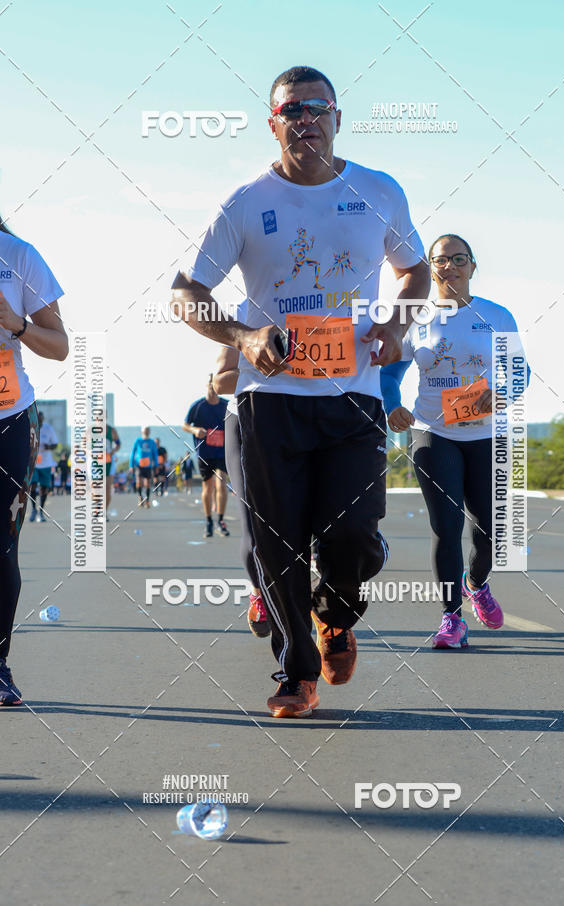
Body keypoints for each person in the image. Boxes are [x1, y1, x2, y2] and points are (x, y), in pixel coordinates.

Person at [171, 65, 429, 718]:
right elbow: (185, 294)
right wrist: (243, 336)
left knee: (355, 539)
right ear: (273, 123)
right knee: (275, 542)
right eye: (292, 111)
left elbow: (415, 271)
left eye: (318, 108)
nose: (305, 120)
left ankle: (336, 616)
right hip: (267, 401)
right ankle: (297, 672)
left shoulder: (377, 191)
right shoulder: (243, 202)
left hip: (353, 397)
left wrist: (397, 326)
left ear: (338, 118)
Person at [388, 233, 529, 649]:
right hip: (433, 432)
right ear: (430, 267)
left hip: (487, 433)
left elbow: (519, 371)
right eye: (440, 259)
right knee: (445, 528)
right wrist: (392, 404)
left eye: (458, 258)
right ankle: (451, 618)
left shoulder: (496, 316)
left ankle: (477, 584)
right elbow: (388, 374)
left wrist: (502, 391)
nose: (449, 266)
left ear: (472, 265)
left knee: (491, 531)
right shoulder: (414, 318)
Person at [0, 213, 68, 704]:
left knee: (2, 548)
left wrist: (16, 325)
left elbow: (60, 345)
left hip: (7, 420)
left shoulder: (19, 256)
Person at [214, 305, 270, 638]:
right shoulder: (242, 311)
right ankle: (260, 592)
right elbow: (221, 380)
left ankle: (300, 596)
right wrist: (274, 369)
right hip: (247, 419)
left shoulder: (316, 298)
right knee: (253, 522)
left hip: (304, 419)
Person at [183, 377, 230, 539]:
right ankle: (209, 520)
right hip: (204, 452)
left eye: (215, 385)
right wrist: (195, 431)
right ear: (207, 386)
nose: (213, 388)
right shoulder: (198, 406)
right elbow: (185, 425)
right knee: (208, 487)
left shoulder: (226, 405)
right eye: (210, 385)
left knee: (222, 483)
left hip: (222, 452)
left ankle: (221, 520)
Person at [29, 410, 58, 522]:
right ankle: (33, 509)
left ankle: (41, 511)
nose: (39, 421)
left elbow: (55, 444)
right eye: (38, 419)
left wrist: (49, 447)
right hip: (33, 462)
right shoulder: (30, 427)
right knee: (33, 484)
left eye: (41, 419)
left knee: (44, 488)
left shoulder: (48, 429)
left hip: (46, 463)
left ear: (43, 419)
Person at [129, 426, 158, 508]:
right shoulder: (138, 441)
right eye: (145, 431)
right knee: (139, 482)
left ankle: (147, 500)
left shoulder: (152, 442)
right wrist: (131, 465)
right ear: (142, 432)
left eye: (147, 431)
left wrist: (156, 465)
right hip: (139, 465)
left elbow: (155, 454)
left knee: (147, 484)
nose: (146, 432)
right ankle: (140, 497)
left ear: (149, 432)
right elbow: (133, 453)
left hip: (148, 466)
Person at [105, 424, 121, 514]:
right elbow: (83, 445)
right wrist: (90, 452)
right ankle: (97, 508)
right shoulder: (90, 430)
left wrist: (113, 451)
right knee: (95, 489)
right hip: (94, 462)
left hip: (108, 460)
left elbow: (118, 444)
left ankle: (104, 511)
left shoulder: (112, 431)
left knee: (107, 488)